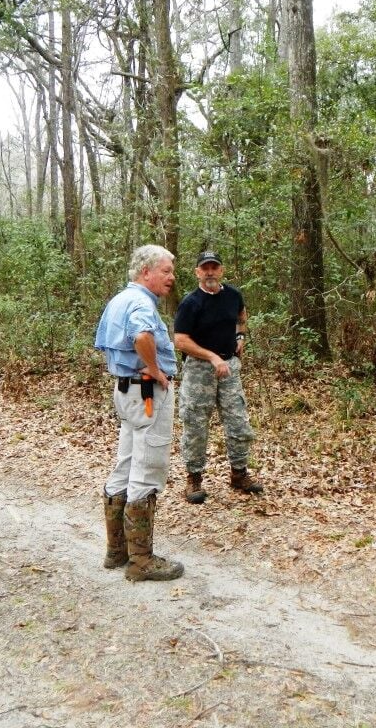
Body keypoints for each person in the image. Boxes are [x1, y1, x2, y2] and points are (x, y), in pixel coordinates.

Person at [93, 244, 183, 582]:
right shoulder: (141, 303)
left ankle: (117, 551)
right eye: (166, 271)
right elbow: (142, 336)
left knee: (126, 464)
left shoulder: (119, 300)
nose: (171, 277)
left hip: (126, 391)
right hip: (147, 394)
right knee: (147, 469)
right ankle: (141, 561)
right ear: (146, 272)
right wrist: (156, 370)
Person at [174, 250, 261, 504]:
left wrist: (241, 336)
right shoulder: (191, 303)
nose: (210, 272)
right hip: (199, 369)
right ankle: (194, 478)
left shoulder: (233, 295)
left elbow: (241, 316)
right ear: (197, 272)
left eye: (214, 267)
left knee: (238, 420)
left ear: (221, 270)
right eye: (205, 268)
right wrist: (212, 357)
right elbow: (180, 340)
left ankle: (239, 473)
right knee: (196, 423)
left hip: (230, 367)